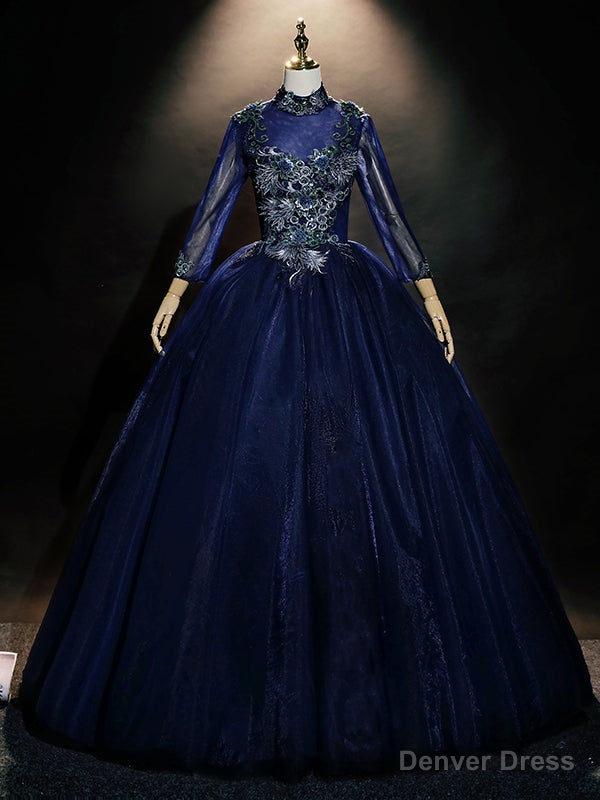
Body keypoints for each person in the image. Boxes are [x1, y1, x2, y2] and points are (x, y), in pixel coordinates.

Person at [19, 18, 595, 782]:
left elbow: (387, 212)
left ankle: (359, 672)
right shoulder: (248, 124)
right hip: (252, 307)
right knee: (246, 477)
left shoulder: (355, 121)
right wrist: (176, 288)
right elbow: (214, 210)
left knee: (354, 474)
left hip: (350, 304)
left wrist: (427, 293)